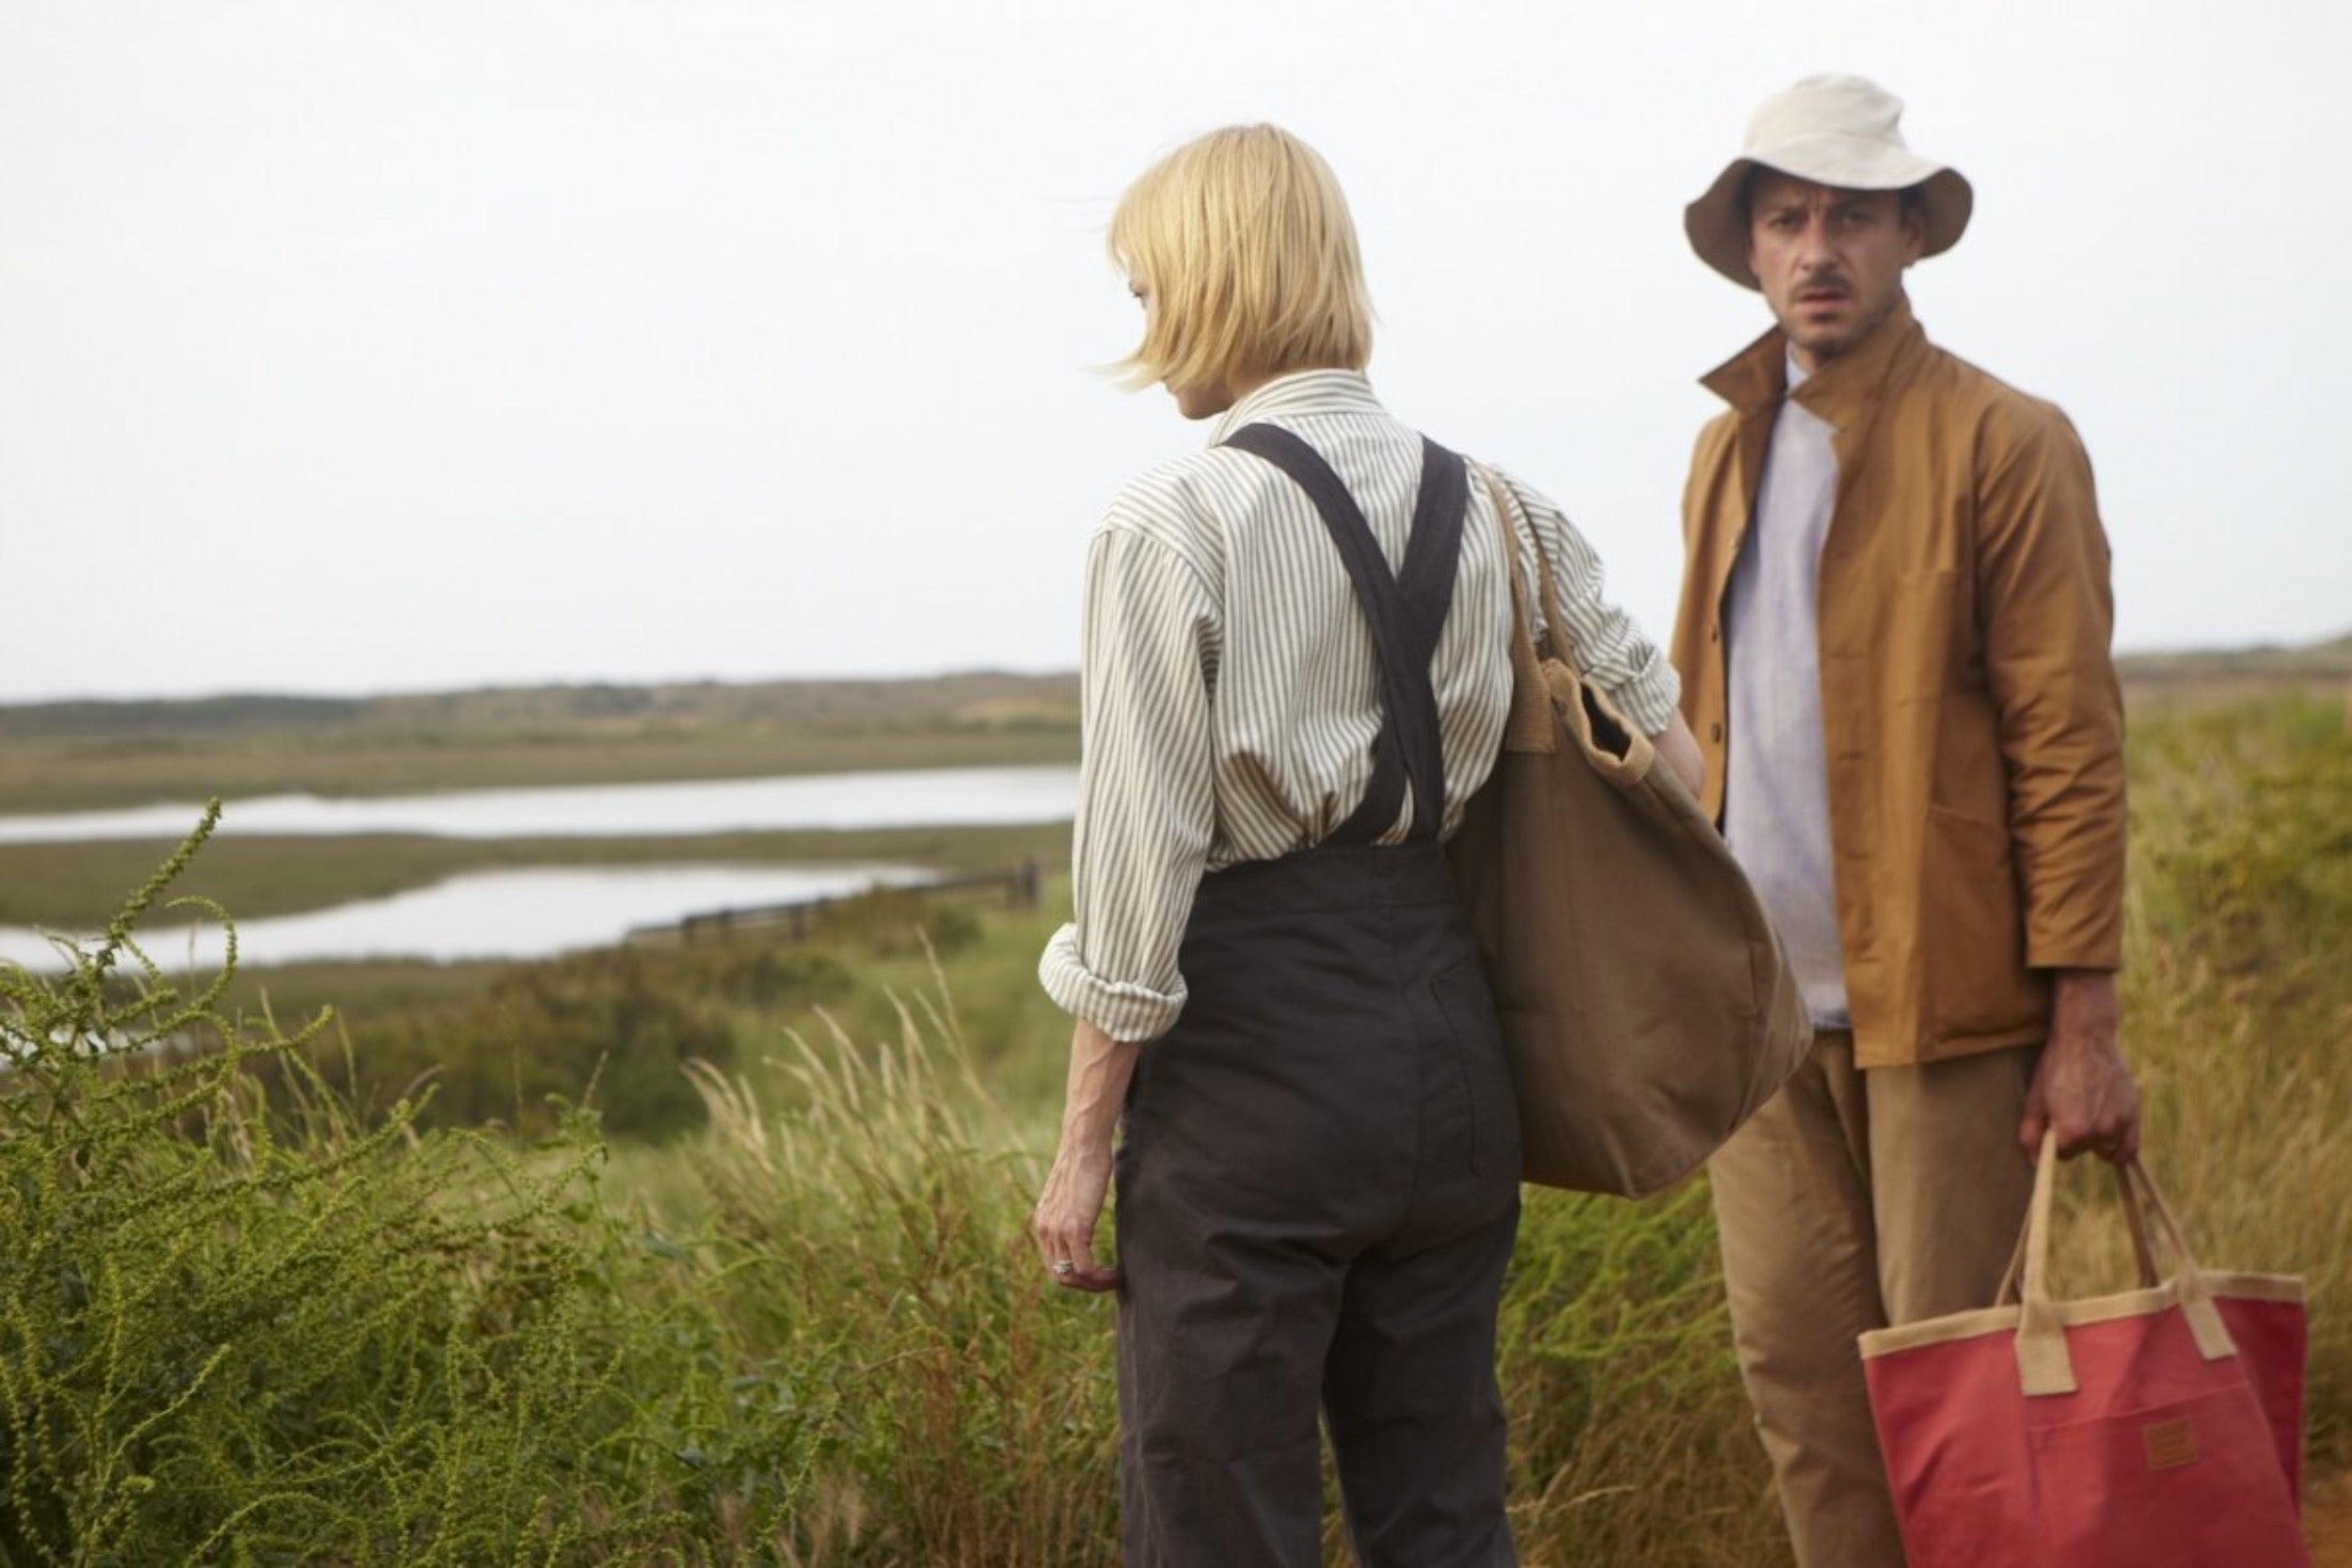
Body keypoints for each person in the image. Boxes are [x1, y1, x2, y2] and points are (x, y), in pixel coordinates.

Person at [1027, 124, 1697, 1567]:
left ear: (1218, 280)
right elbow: (1677, 767)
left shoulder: (1172, 520)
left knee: (1220, 1520)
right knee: (1444, 1513)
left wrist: (1085, 1147)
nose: (1145, 336)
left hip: (1252, 1079)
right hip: (1454, 1067)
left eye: (1150, 294)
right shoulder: (1503, 505)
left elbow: (1138, 870)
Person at [1670, 74, 2141, 1566]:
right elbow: (1701, 725)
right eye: (1789, 217)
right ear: (1750, 245)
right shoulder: (1722, 451)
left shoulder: (2007, 440)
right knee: (1805, 1399)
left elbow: (2070, 746)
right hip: (1760, 1025)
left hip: (1947, 1017)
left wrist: (2083, 1028)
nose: (1820, 250)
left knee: (1964, 1413)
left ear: (1910, 240)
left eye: (1852, 219)